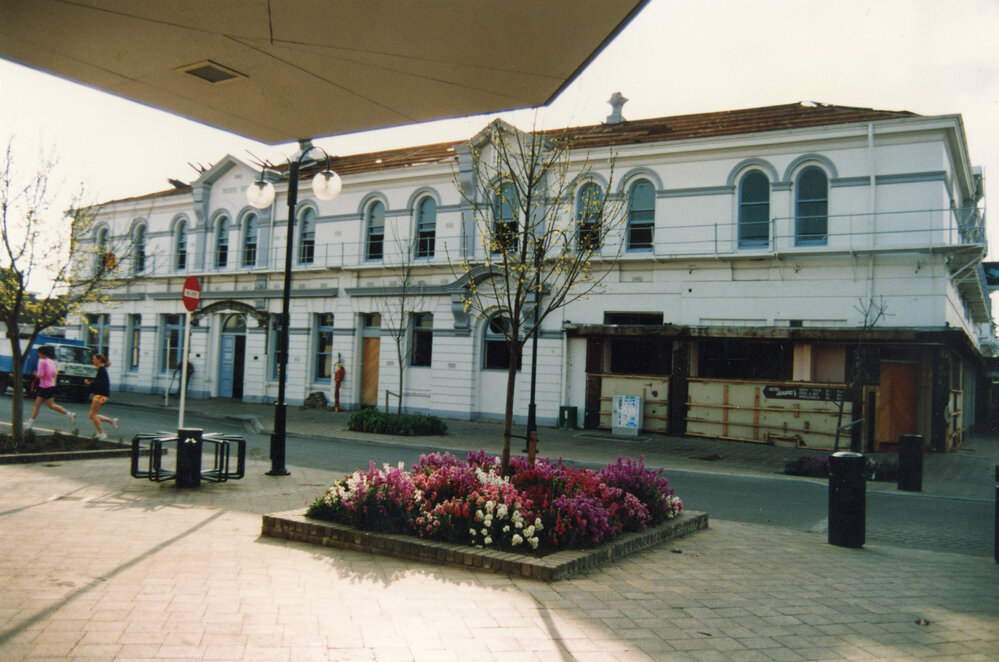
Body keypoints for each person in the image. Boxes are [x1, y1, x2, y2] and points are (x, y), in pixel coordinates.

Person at [25, 345, 76, 430]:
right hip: (50, 385)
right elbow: (54, 373)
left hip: (44, 386)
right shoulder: (51, 361)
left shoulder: (42, 362)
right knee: (47, 405)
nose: (38, 355)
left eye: (39, 353)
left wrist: (35, 374)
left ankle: (30, 423)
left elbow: (41, 375)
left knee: (40, 405)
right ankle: (70, 414)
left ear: (43, 353)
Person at [85, 353, 119, 440]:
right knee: (91, 415)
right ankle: (112, 421)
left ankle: (102, 433)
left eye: (94, 359)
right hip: (102, 394)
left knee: (93, 415)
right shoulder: (101, 369)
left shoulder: (101, 370)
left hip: (100, 394)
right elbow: (98, 381)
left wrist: (89, 384)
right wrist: (91, 383)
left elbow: (99, 383)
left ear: (99, 360)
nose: (93, 360)